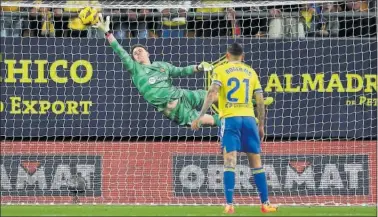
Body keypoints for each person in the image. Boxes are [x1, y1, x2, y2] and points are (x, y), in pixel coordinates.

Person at [191, 43, 278, 214]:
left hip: (230, 118)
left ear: (227, 55)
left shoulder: (221, 70)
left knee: (230, 162)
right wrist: (261, 125)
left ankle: (229, 204)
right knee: (256, 163)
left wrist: (200, 116)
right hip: (249, 119)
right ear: (242, 56)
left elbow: (211, 93)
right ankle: (265, 204)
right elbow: (260, 100)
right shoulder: (251, 72)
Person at [93, 14, 219, 127]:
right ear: (134, 59)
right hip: (177, 112)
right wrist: (108, 33)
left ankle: (237, 105)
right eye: (134, 54)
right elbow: (120, 51)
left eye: (139, 51)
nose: (137, 53)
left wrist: (199, 67)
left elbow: (181, 71)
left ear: (147, 53)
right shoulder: (136, 70)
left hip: (183, 95)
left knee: (212, 95)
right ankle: (230, 124)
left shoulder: (161, 65)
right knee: (212, 121)